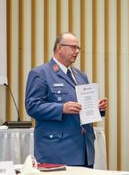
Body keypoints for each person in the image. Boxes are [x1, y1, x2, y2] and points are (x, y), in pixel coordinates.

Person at [25, 32, 107, 168]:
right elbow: (32, 106)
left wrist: (96, 108)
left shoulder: (81, 76)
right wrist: (61, 108)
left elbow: (83, 110)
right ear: (59, 48)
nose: (77, 51)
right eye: (73, 47)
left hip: (84, 150)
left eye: (78, 48)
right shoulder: (41, 73)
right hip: (57, 151)